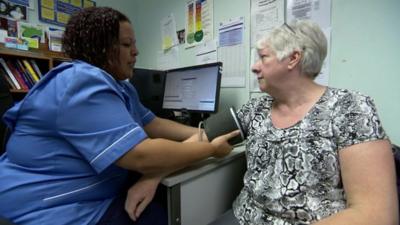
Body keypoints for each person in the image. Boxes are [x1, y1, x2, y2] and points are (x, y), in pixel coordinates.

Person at [0, 7, 239, 225]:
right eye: (127, 45)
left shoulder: (122, 86)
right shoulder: (80, 83)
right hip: (48, 205)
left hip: (88, 190)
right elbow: (142, 156)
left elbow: (152, 124)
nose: (136, 51)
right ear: (101, 47)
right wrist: (210, 149)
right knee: (155, 218)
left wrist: (203, 133)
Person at [229, 20, 398, 224]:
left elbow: (377, 215)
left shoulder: (350, 108)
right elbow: (205, 135)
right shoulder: (256, 108)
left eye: (263, 57)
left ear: (293, 59)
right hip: (242, 216)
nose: (254, 67)